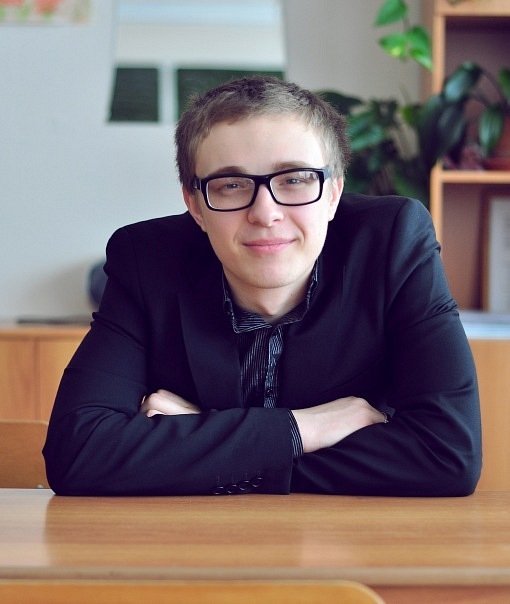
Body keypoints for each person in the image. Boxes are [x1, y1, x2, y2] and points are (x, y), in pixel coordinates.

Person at [43, 76, 482, 497]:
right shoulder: (147, 260)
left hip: (347, 540)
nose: (265, 213)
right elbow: (78, 452)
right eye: (231, 185)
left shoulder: (392, 243)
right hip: (193, 541)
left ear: (334, 192)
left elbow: (448, 455)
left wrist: (206, 433)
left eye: (295, 179)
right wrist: (303, 429)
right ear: (195, 206)